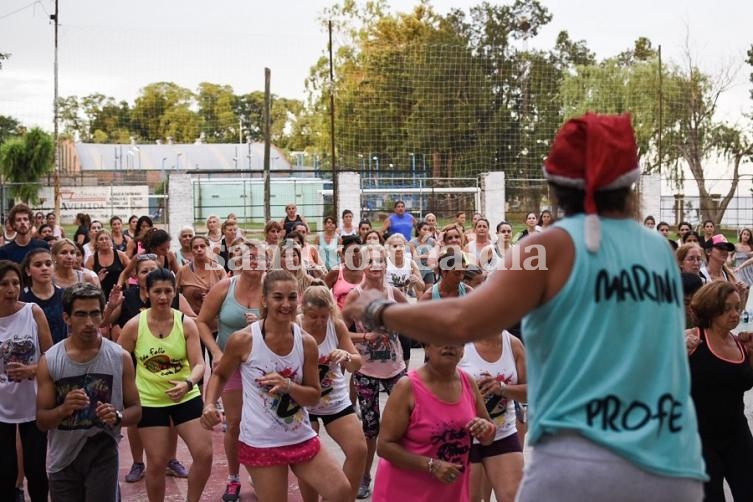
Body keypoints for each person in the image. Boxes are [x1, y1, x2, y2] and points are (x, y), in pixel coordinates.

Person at [345, 113, 706, 501]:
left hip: (586, 462)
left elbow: (462, 319)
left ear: (554, 184)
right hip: (675, 462)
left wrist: (378, 308)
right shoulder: (657, 252)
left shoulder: (550, 247)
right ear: (631, 182)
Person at [200, 270, 351, 502]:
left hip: (299, 435)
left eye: (292, 297)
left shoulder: (306, 343)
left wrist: (288, 385)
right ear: (264, 300)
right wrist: (209, 404)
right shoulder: (244, 340)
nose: (286, 304)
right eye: (278, 297)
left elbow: (313, 396)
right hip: (261, 440)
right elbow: (220, 375)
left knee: (340, 491)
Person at [36, 283, 141, 502]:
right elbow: (42, 420)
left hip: (103, 451)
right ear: (67, 318)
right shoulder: (51, 361)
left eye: (95, 314)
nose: (89, 323)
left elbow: (136, 410)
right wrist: (64, 408)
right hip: (63, 459)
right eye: (81, 315)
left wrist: (117, 416)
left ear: (103, 314)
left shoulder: (119, 357)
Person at [118, 268, 212, 502]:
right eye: (157, 291)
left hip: (185, 396)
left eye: (168, 291)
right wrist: (129, 394)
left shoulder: (185, 323)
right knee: (157, 462)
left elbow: (199, 364)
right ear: (147, 293)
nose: (162, 297)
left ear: (175, 293)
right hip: (150, 401)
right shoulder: (134, 325)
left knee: (205, 454)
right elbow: (117, 360)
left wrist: (188, 382)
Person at [372, 341, 496, 502]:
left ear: (463, 351)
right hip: (404, 493)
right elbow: (384, 446)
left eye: (455, 340)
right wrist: (430, 465)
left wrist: (486, 429)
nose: (449, 345)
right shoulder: (407, 387)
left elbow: (488, 436)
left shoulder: (468, 382)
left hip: (451, 494)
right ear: (427, 348)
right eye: (440, 338)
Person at [196, 241, 265, 502]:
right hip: (230, 364)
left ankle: (259, 472)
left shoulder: (271, 288)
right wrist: (215, 351)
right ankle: (234, 477)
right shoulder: (225, 287)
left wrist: (263, 322)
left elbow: (289, 320)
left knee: (261, 423)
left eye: (260, 257)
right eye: (250, 257)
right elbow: (202, 321)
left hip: (261, 365)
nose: (255, 262)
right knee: (234, 423)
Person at [342, 245, 409, 499]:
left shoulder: (393, 292)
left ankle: (402, 475)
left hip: (396, 370)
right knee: (371, 428)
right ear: (362, 265)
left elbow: (413, 313)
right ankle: (365, 476)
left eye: (380, 260)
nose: (376, 265)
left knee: (406, 425)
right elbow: (339, 330)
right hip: (367, 371)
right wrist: (365, 336)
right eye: (371, 260)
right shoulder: (355, 296)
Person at [297, 284, 366, 502]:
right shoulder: (293, 327)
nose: (318, 322)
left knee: (358, 450)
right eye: (313, 317)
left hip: (334, 400)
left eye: (323, 316)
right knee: (307, 457)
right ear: (302, 312)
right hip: (303, 402)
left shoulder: (335, 327)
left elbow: (357, 363)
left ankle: (343, 498)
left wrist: (346, 356)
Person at [686, 281, 753, 501]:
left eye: (737, 307)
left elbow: (744, 382)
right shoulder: (692, 340)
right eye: (727, 309)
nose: (734, 314)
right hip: (701, 438)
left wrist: (751, 355)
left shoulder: (740, 343)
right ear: (710, 308)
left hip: (737, 433)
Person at [0, 260, 53, 502]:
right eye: (4, 284)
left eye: (15, 283)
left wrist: (31, 369)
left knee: (36, 469)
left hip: (33, 403)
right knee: (5, 469)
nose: (11, 289)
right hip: (2, 406)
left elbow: (50, 356)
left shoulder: (33, 311)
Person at [458, 330, 527, 502]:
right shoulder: (462, 345)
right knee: (471, 498)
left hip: (503, 432)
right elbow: (438, 386)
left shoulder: (514, 345)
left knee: (513, 496)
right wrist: (470, 396)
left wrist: (502, 388)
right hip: (466, 435)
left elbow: (530, 391)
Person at [21, 248, 67, 344]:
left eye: (48, 264)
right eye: (38, 265)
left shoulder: (64, 295)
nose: (44, 268)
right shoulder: (22, 298)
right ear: (28, 271)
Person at [85, 228, 130, 299]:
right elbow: (86, 281)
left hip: (120, 294)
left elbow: (131, 270)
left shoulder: (120, 255)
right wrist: (97, 279)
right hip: (101, 296)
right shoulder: (92, 259)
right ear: (96, 242)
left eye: (107, 238)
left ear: (111, 240)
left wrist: (124, 279)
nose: (104, 241)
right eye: (101, 239)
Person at [324, 235, 365, 310]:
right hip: (340, 318)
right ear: (343, 253)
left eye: (356, 251)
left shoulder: (367, 272)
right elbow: (322, 295)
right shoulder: (335, 272)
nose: (353, 255)